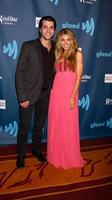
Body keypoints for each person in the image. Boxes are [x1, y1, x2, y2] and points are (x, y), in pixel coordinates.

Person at [15, 16, 56, 168]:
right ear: (40, 29)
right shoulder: (29, 46)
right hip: (28, 94)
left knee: (39, 124)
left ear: (54, 30)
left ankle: (36, 149)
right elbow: (19, 72)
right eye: (45, 27)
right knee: (24, 126)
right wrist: (22, 96)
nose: (48, 30)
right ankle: (20, 154)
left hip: (46, 94)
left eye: (51, 27)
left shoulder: (56, 47)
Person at [47, 29, 85, 169]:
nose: (65, 42)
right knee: (56, 123)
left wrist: (73, 96)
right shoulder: (58, 53)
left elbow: (79, 77)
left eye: (68, 39)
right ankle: (55, 154)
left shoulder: (77, 54)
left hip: (69, 93)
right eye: (62, 39)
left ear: (72, 40)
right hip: (56, 92)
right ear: (59, 41)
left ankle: (68, 156)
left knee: (67, 124)